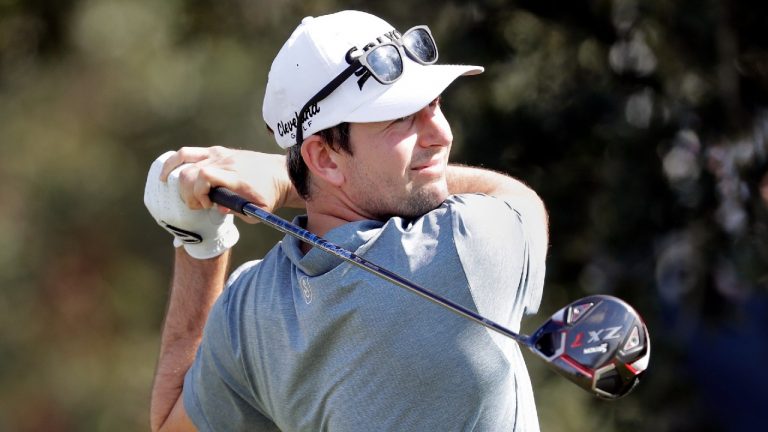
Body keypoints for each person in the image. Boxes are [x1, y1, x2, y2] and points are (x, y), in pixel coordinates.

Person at [144, 10, 548, 432]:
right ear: (322, 157)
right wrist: (280, 178)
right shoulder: (462, 247)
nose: (441, 133)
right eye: (404, 118)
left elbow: (170, 422)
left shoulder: (249, 309)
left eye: (434, 105)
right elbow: (519, 198)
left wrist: (198, 241)